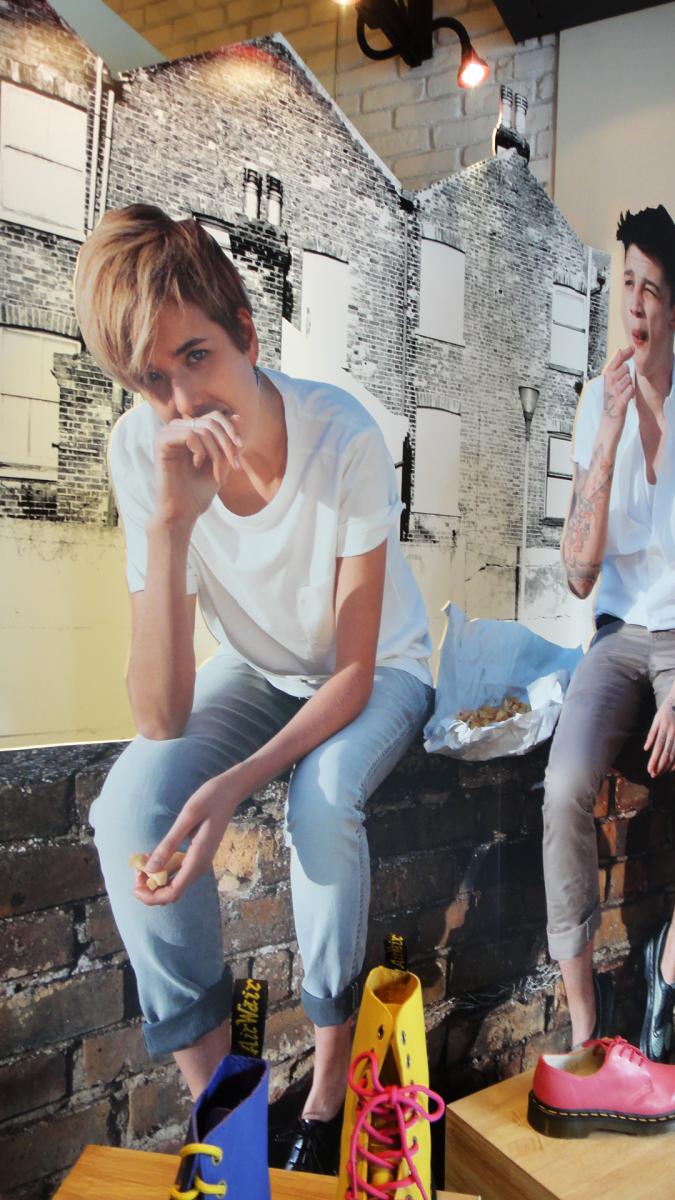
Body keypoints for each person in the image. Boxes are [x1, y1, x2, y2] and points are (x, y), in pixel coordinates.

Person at [73, 204, 433, 1170]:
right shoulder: (143, 452)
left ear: (246, 332)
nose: (184, 401)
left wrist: (236, 783)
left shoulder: (342, 435)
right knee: (126, 810)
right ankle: (228, 1105)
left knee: (321, 800)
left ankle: (326, 1094)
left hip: (378, 668)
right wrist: (169, 527)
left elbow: (351, 671)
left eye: (197, 357)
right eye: (152, 380)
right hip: (262, 670)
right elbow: (158, 716)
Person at [543, 205, 675, 1060]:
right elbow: (578, 576)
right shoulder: (598, 400)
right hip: (620, 634)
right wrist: (607, 437)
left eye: (651, 290)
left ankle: (667, 967)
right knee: (562, 788)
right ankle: (585, 1018)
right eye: (626, 283)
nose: (633, 304)